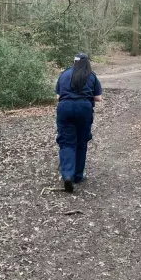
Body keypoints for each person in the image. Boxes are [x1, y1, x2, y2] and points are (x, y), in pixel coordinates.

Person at [55, 53, 102, 192]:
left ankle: (67, 174)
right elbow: (98, 98)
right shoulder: (91, 75)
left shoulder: (64, 74)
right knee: (81, 141)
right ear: (87, 63)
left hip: (65, 108)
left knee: (66, 142)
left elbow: (58, 96)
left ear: (74, 62)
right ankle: (78, 175)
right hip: (84, 108)